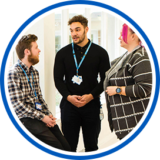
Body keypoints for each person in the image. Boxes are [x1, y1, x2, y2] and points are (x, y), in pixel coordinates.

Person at [54, 15, 110, 152]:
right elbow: (58, 79)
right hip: (69, 106)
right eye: (71, 30)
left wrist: (91, 96)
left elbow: (105, 80)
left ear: (86, 29)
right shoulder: (62, 53)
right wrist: (68, 97)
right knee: (68, 147)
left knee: (91, 146)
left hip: (91, 105)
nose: (74, 33)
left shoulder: (100, 53)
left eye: (77, 29)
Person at [7, 34, 71, 151]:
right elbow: (18, 106)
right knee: (56, 147)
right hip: (26, 119)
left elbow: (39, 98)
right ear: (27, 51)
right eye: (36, 47)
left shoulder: (34, 72)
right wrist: (43, 117)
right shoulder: (13, 73)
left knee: (66, 147)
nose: (39, 50)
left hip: (39, 116)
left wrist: (48, 115)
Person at [104, 23, 152, 140]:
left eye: (122, 34)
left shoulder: (141, 56)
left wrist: (117, 90)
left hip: (135, 122)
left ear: (133, 36)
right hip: (124, 123)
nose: (119, 37)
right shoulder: (126, 56)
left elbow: (144, 88)